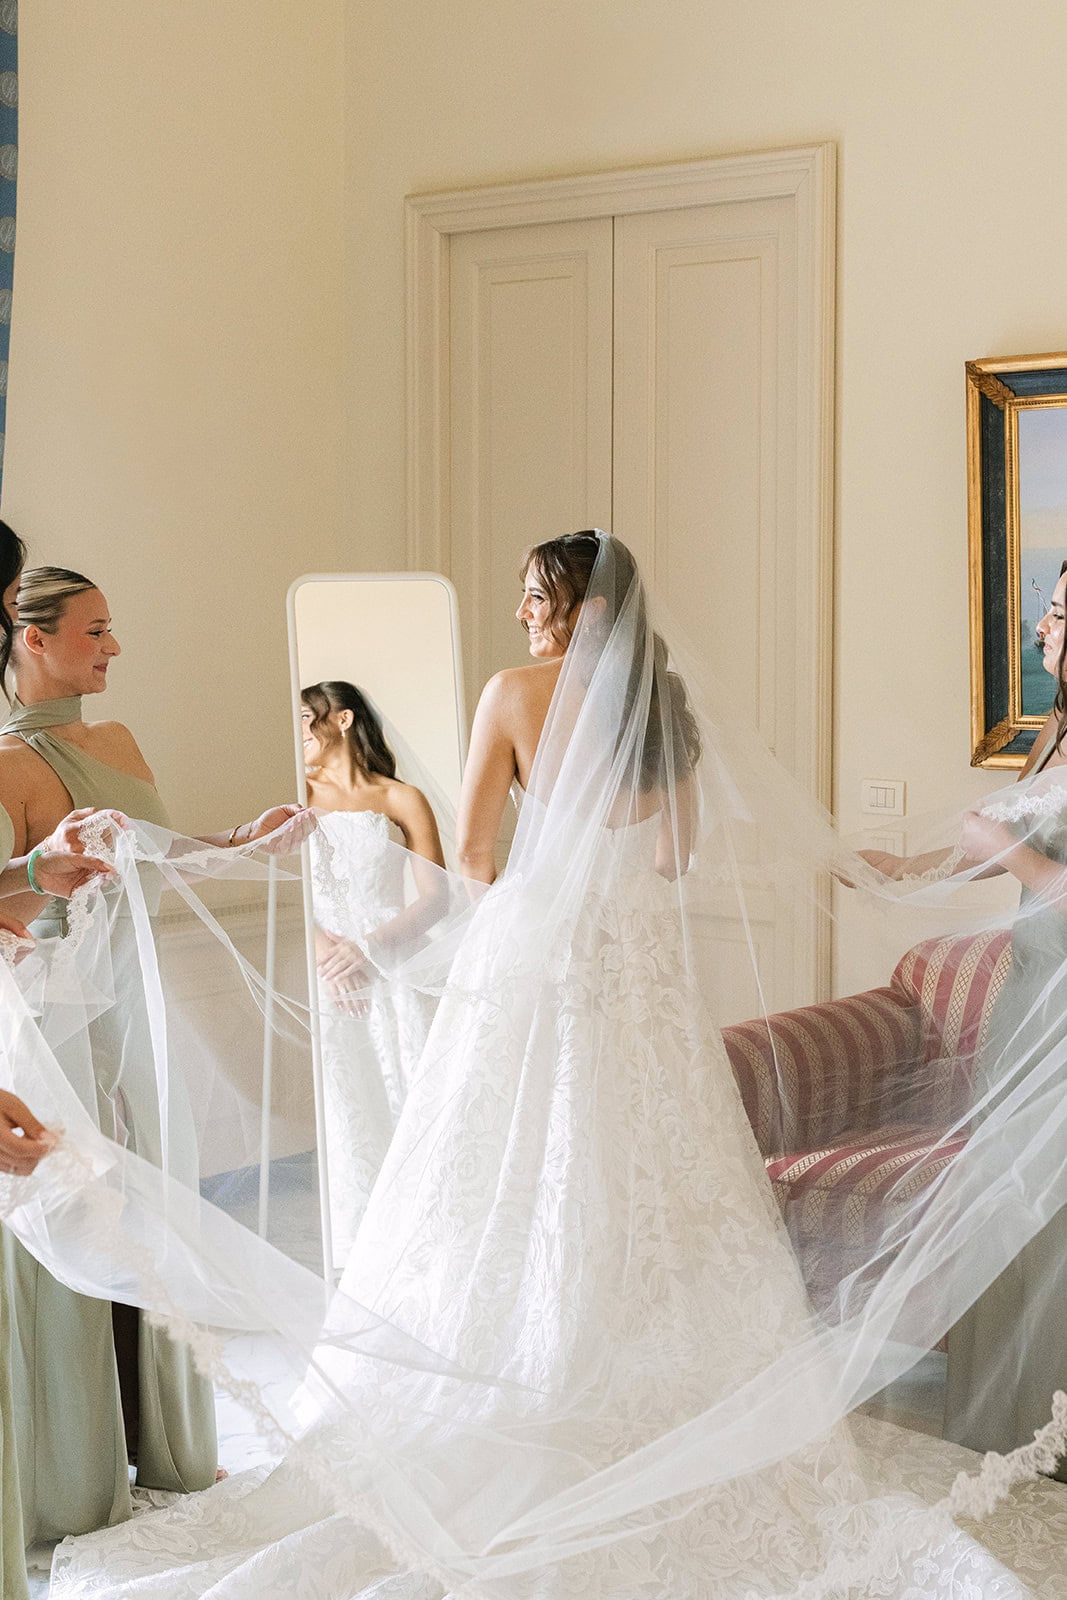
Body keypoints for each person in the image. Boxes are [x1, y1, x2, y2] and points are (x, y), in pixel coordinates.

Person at [43, 531, 1067, 1600]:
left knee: (503, 1175)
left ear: (577, 608)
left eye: (536, 597)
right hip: (644, 973)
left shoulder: (510, 695)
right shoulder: (660, 715)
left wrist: (455, 917)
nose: (524, 613)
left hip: (543, 959)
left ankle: (526, 1394)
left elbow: (475, 858)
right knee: (655, 1173)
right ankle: (658, 1400)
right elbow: (673, 859)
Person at [0, 564, 313, 1545]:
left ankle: (162, 1440)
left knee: (150, 1196)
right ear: (30, 638)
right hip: (57, 1015)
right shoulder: (5, 764)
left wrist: (240, 843)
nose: (113, 647)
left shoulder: (116, 739)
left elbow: (149, 853)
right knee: (85, 1208)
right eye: (94, 630)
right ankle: (71, 1474)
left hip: (134, 1003)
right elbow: (12, 906)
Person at [942, 561, 1067, 1472]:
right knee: (1007, 1198)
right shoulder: (1053, 730)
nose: (1038, 633)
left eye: (1055, 615)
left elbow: (1043, 871)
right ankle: (1014, 1416)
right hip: (1026, 996)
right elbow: (1016, 837)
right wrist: (898, 864)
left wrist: (1003, 850)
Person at [301, 680, 443, 1260]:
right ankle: (361, 1248)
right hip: (327, 975)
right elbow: (283, 887)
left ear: (341, 720)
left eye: (306, 717)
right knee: (348, 1098)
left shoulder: (400, 798)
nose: (299, 733)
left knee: (408, 1089)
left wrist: (367, 949)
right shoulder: (295, 794)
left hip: (393, 965)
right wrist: (325, 956)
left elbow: (437, 898)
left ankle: (425, 1234)